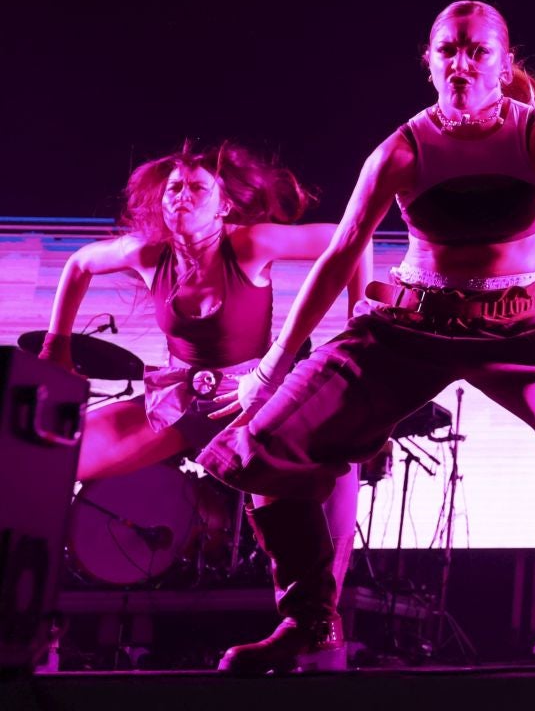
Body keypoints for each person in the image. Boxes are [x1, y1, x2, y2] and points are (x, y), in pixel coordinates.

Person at [200, 0, 535, 673]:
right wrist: (269, 371)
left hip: (517, 325)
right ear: (430, 62)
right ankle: (309, 620)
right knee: (266, 437)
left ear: (502, 62)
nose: (462, 63)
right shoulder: (403, 148)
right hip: (411, 322)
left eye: (477, 51)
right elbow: (340, 254)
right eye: (449, 50)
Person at [38, 143, 364, 589]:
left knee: (321, 497)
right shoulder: (149, 254)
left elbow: (352, 237)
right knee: (48, 461)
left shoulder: (251, 243)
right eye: (173, 188)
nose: (181, 196)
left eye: (196, 187)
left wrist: (358, 320)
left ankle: (318, 625)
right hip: (178, 405)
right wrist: (57, 345)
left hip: (248, 406)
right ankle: (35, 616)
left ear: (224, 204)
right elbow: (79, 263)